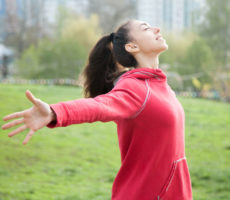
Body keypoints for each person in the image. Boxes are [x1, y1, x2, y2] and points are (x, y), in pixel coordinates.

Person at [1, 19, 193, 200]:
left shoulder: (160, 85)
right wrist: (54, 112)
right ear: (132, 47)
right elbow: (99, 105)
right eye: (146, 28)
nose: (156, 29)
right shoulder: (136, 87)